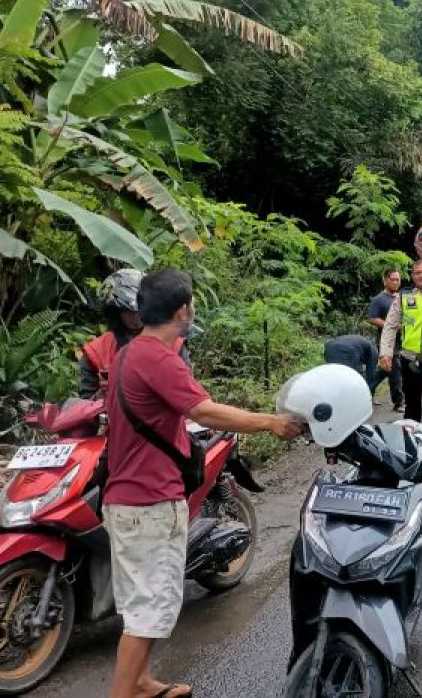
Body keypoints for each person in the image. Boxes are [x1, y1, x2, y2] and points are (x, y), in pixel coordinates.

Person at [104, 268, 300, 698]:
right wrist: (272, 422)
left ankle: (140, 683)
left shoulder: (130, 353)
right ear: (182, 310)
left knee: (153, 604)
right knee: (147, 613)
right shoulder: (159, 360)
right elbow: (205, 412)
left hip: (130, 499)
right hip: (148, 504)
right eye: (190, 304)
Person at [78, 269, 187, 398]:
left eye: (139, 310)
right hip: (110, 415)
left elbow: (188, 394)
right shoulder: (97, 351)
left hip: (160, 414)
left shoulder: (173, 343)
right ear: (116, 312)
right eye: (128, 311)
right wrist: (102, 393)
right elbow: (83, 405)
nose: (135, 317)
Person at [379, 260, 422, 444]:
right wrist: (385, 353)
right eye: (417, 273)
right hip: (409, 359)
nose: (421, 276)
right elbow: (390, 325)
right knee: (412, 407)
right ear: (412, 275)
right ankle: (410, 447)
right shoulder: (403, 296)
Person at [365, 268, 404, 412]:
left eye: (397, 280)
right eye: (392, 279)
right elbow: (372, 318)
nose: (395, 282)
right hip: (386, 342)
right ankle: (399, 402)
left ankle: (364, 392)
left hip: (401, 341)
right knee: (395, 370)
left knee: (384, 370)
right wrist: (392, 326)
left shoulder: (400, 297)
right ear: (385, 280)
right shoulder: (378, 299)